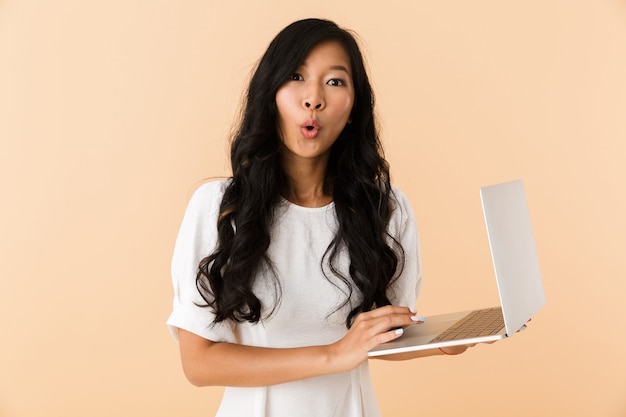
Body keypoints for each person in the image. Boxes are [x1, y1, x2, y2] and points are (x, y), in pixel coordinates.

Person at [166, 18, 471, 417]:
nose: (314, 99)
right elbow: (199, 363)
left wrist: (441, 339)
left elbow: (374, 339)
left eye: (335, 81)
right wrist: (332, 355)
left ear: (354, 106)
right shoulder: (221, 207)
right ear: (270, 92)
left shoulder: (386, 209)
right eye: (296, 76)